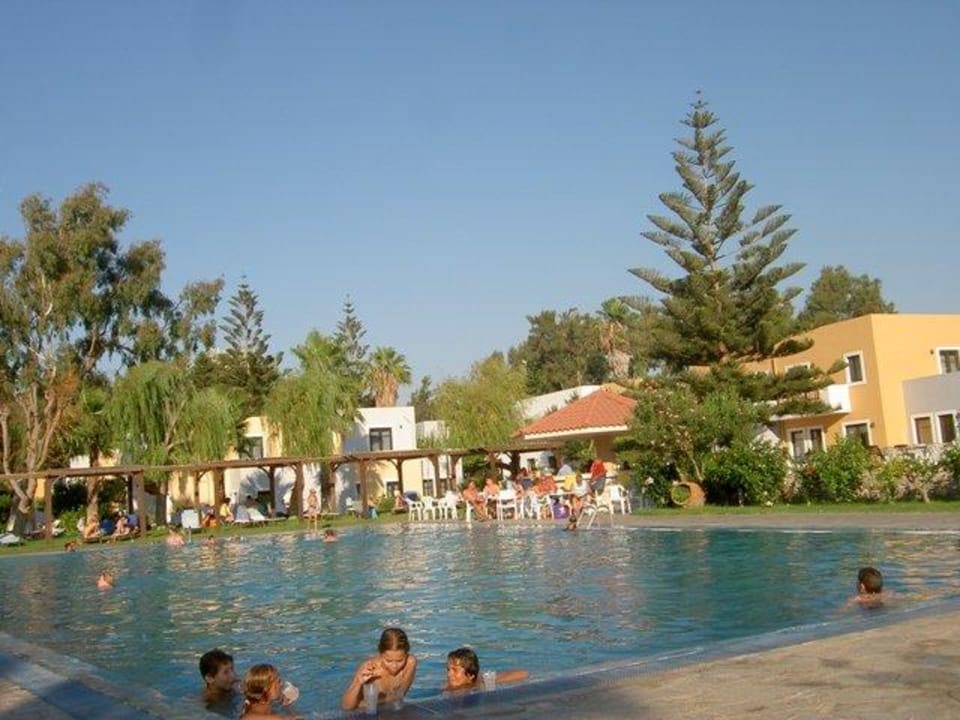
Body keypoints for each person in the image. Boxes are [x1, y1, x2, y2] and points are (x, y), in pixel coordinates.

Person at [341, 627, 418, 711]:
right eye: (388, 661)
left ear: (406, 654)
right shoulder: (370, 668)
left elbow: (400, 694)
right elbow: (347, 707)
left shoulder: (410, 662)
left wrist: (368, 703)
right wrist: (358, 683)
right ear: (380, 654)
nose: (394, 666)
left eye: (400, 661)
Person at [444, 647, 527, 692]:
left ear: (470, 675)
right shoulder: (447, 688)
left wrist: (487, 682)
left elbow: (523, 673)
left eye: (455, 670)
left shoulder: (482, 683)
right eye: (448, 669)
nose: (449, 674)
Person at [199, 648, 240, 717]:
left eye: (232, 669)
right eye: (226, 672)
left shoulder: (233, 685)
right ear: (210, 678)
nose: (233, 675)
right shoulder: (210, 701)